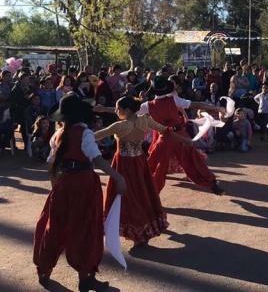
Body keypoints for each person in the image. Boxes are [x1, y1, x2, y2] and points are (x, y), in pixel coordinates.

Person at [33, 94, 127, 291]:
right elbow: (98, 160)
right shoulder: (85, 134)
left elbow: (52, 166)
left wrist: (55, 188)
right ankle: (85, 277)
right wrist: (118, 177)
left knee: (54, 227)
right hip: (83, 184)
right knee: (85, 229)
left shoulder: (57, 134)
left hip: (64, 183)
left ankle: (44, 269)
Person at [97, 77, 226, 195]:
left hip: (164, 139)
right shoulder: (174, 100)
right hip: (180, 135)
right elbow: (195, 104)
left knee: (156, 166)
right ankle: (212, 184)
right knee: (193, 161)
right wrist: (216, 108)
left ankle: (148, 192)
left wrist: (105, 109)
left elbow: (126, 110)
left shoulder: (148, 105)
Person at [94, 96, 191, 247]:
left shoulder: (119, 126)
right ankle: (144, 231)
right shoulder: (144, 120)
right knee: (142, 194)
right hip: (139, 163)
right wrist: (184, 140)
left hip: (124, 165)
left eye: (117, 109)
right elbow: (166, 131)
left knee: (128, 197)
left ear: (126, 110)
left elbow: (95, 136)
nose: (115, 111)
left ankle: (136, 232)